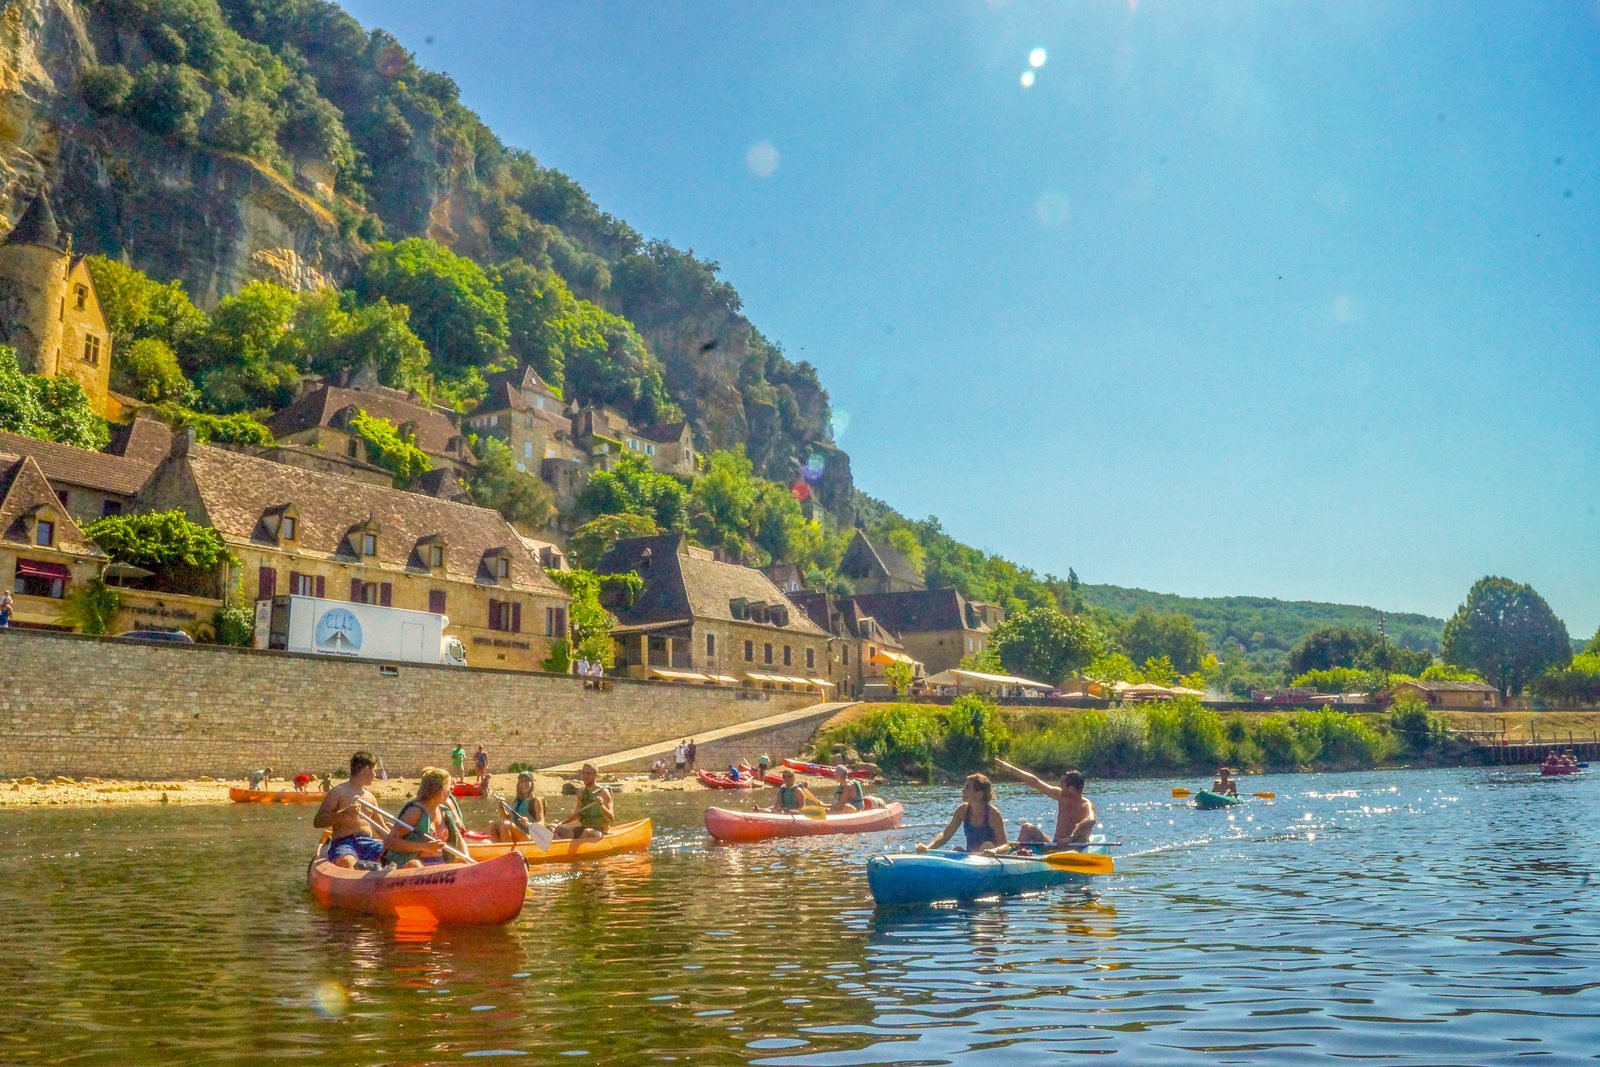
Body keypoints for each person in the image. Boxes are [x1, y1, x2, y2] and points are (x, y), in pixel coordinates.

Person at [995, 759, 1096, 852]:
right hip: (1055, 845)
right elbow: (1036, 782)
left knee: (1084, 826)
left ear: (1072, 788)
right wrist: (1010, 768)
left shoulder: (1086, 805)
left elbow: (1091, 820)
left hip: (1074, 847)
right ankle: (1022, 854)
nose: (1059, 785)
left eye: (1062, 784)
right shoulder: (1061, 796)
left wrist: (1070, 838)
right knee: (1027, 828)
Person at [314, 751, 382, 868]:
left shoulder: (370, 797)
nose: (375, 775)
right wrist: (343, 814)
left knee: (391, 856)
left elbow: (381, 827)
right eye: (374, 771)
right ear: (366, 770)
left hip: (367, 842)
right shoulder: (338, 792)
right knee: (347, 862)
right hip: (344, 843)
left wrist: (398, 835)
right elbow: (318, 821)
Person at [381, 768, 453, 868]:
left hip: (438, 864)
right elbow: (389, 842)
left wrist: (470, 864)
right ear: (440, 790)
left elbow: (460, 842)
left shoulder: (443, 811)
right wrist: (424, 847)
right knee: (415, 865)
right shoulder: (415, 812)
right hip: (414, 865)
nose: (450, 792)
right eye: (449, 788)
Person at [918, 773, 1006, 853]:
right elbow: (945, 835)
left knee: (987, 845)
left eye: (967, 788)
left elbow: (1005, 846)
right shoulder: (962, 811)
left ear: (979, 794)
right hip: (971, 857)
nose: (962, 790)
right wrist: (928, 848)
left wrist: (994, 851)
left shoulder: (993, 814)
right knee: (957, 850)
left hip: (990, 858)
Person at [552, 763, 613, 840]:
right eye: (583, 773)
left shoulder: (603, 792)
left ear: (595, 775)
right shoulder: (581, 792)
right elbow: (577, 815)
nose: (585, 776)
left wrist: (601, 806)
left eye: (589, 774)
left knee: (587, 832)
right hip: (584, 828)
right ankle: (559, 848)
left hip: (600, 830)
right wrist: (561, 824)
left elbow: (610, 818)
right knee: (559, 829)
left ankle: (575, 845)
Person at [493, 771, 546, 842]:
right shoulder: (517, 801)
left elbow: (542, 823)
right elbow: (506, 818)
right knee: (492, 824)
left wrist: (528, 823)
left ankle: (507, 850)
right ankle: (491, 849)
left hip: (529, 836)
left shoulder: (536, 800)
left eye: (526, 781)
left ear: (532, 783)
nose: (523, 784)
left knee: (506, 824)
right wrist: (501, 807)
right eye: (521, 782)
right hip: (516, 834)